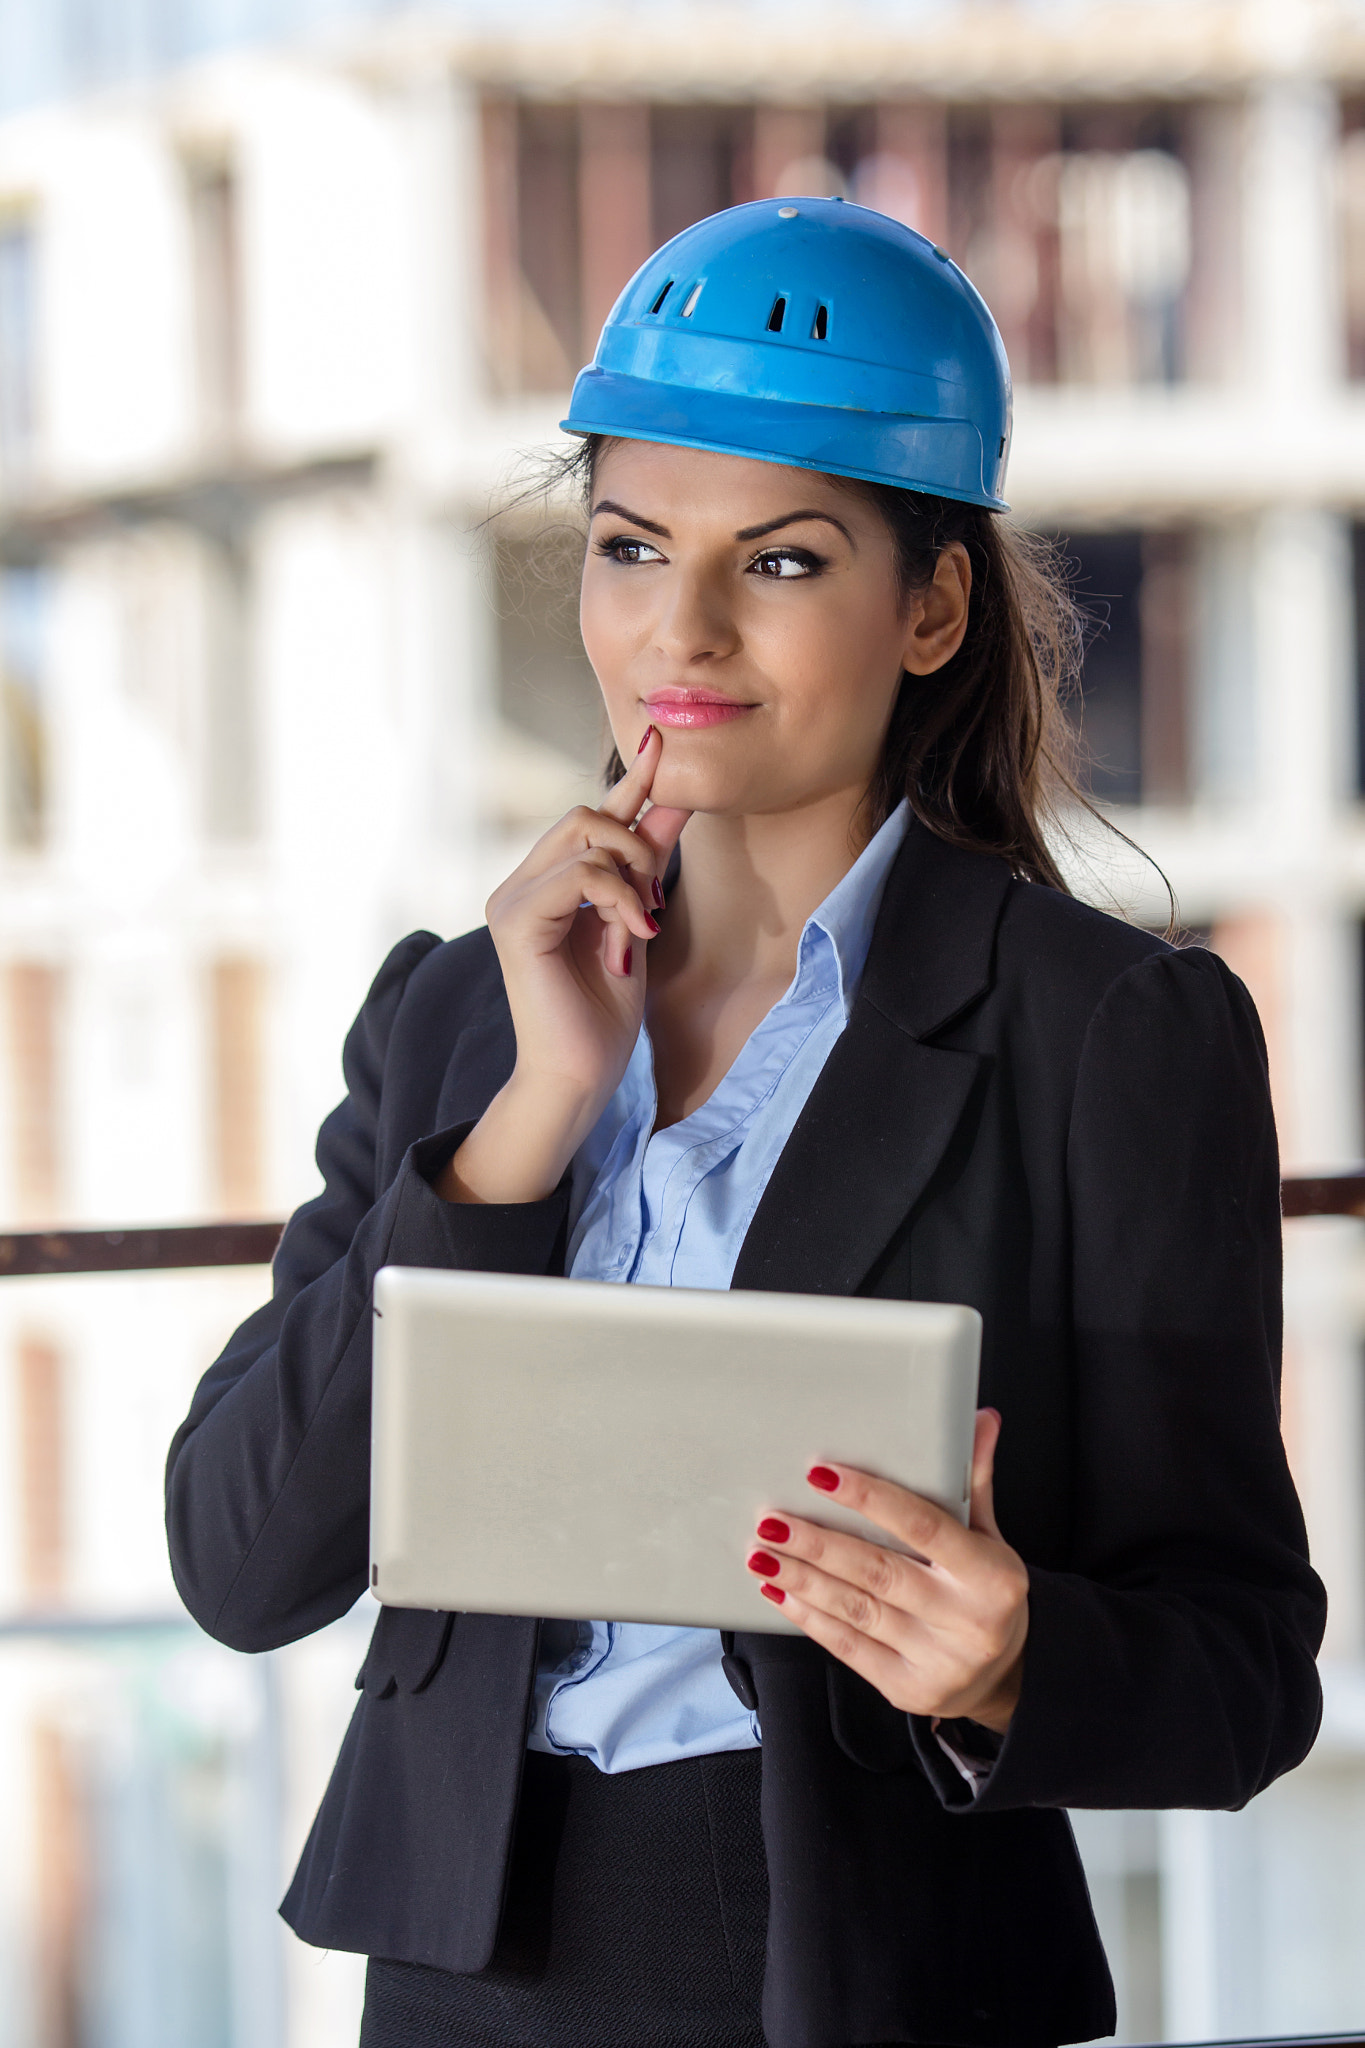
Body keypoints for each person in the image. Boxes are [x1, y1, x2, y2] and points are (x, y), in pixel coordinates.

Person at [165, 198, 1325, 2048]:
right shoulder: (457, 1009)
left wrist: (1017, 1658)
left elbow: (1245, 1669)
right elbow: (241, 1562)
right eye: (630, 546)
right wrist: (530, 1117)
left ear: (929, 605)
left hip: (841, 1970)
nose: (678, 628)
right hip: (456, 1968)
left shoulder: (1107, 1031)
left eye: (779, 562)